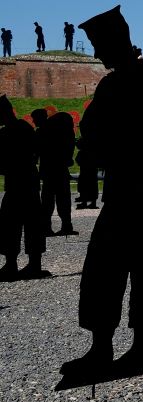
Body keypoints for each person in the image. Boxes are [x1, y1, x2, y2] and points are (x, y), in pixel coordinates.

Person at [61, 5, 143, 379]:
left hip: (141, 192)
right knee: (105, 269)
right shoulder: (127, 80)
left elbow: (134, 135)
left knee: (138, 271)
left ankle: (137, 348)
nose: (97, 54)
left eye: (100, 46)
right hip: (125, 190)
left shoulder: (140, 80)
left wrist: (97, 147)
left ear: (116, 43)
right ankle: (104, 346)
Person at [0, 95, 47, 280]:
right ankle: (34, 264)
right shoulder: (25, 128)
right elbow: (37, 151)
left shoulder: (6, 133)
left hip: (17, 183)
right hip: (29, 181)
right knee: (32, 223)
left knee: (10, 223)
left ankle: (11, 265)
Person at [32, 108, 77, 236]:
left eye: (35, 119)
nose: (34, 122)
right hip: (61, 169)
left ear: (40, 118)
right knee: (64, 199)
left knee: (47, 200)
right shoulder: (61, 130)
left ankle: (46, 227)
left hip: (48, 171)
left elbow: (36, 152)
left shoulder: (41, 132)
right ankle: (66, 226)